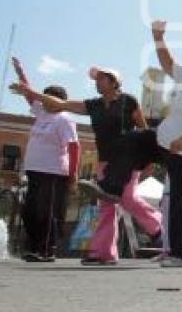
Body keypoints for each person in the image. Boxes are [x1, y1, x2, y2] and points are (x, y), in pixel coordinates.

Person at [72, 21, 182, 268]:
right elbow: (167, 64)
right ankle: (112, 187)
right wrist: (158, 37)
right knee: (130, 141)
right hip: (166, 141)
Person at [11, 64, 161, 266]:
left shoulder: (128, 101)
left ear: (114, 82)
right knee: (106, 205)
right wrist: (31, 92)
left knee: (127, 198)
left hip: (128, 159)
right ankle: (103, 253)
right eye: (96, 79)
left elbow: (143, 129)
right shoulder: (94, 105)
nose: (97, 83)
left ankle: (160, 229)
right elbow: (62, 104)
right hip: (105, 161)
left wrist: (149, 159)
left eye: (101, 79)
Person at [11, 58, 79, 262]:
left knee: (46, 212)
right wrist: (21, 72)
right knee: (30, 211)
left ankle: (46, 249)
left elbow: (74, 146)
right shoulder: (42, 114)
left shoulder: (65, 119)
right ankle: (33, 247)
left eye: (49, 98)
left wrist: (73, 173)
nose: (43, 101)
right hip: (34, 171)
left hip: (53, 173)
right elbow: (29, 95)